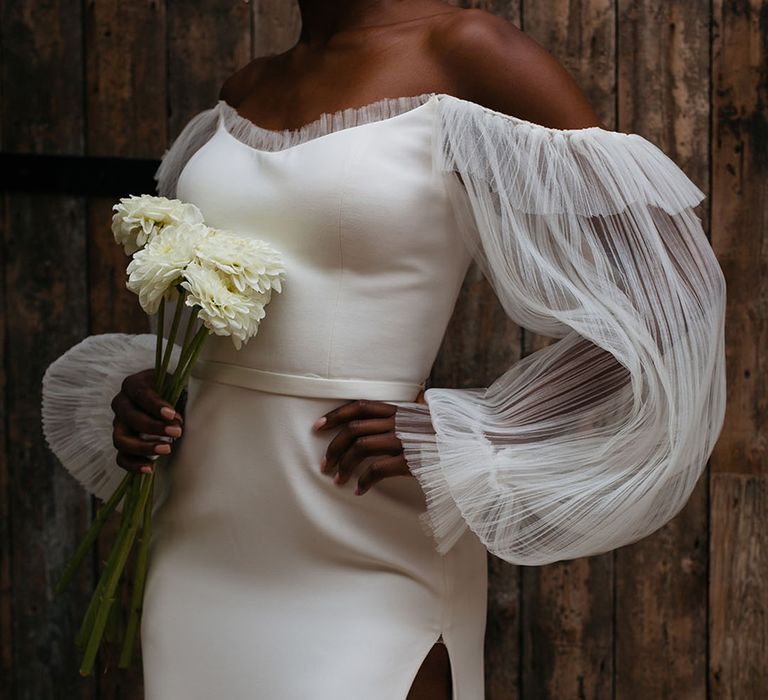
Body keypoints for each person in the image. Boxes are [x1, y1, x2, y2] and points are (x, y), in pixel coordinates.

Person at [41, 1, 727, 698]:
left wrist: (485, 426)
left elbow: (680, 295)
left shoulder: (470, 51)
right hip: (202, 536)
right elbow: (228, 308)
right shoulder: (247, 84)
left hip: (363, 527)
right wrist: (152, 389)